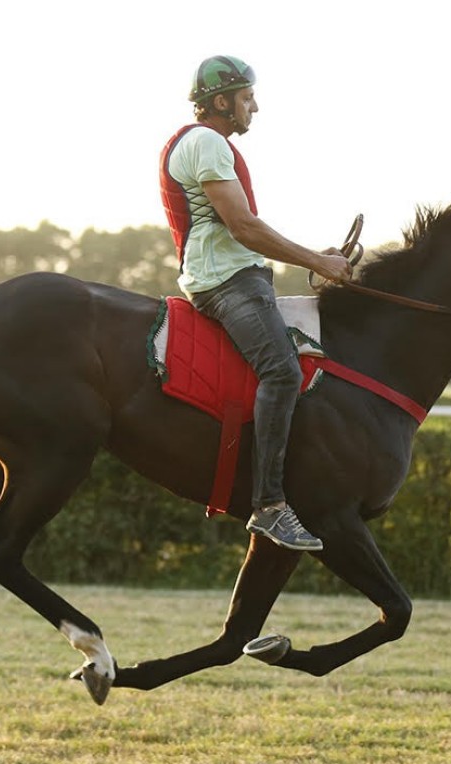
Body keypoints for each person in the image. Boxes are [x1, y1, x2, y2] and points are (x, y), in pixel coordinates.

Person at [159, 55, 352, 551]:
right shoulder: (205, 142)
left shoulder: (210, 145)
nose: (255, 107)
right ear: (221, 101)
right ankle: (268, 506)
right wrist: (318, 262)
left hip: (235, 276)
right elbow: (242, 227)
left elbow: (244, 235)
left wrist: (317, 257)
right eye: (247, 98)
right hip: (224, 283)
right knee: (283, 371)